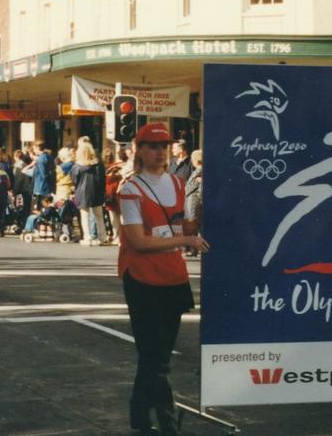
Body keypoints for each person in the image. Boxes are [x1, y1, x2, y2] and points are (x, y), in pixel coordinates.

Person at [118, 122, 209, 436]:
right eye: (153, 147)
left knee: (156, 356)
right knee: (156, 359)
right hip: (142, 278)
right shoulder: (130, 189)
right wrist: (185, 241)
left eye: (164, 146)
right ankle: (168, 424)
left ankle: (139, 415)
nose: (160, 153)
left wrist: (203, 219)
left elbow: (182, 229)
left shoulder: (178, 183)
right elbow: (139, 241)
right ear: (139, 151)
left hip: (172, 277)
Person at [71, 136, 108, 246]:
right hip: (96, 191)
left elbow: (74, 179)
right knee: (99, 215)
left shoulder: (77, 166)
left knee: (84, 215)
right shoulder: (99, 164)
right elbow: (102, 178)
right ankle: (103, 237)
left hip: (82, 192)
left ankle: (87, 237)